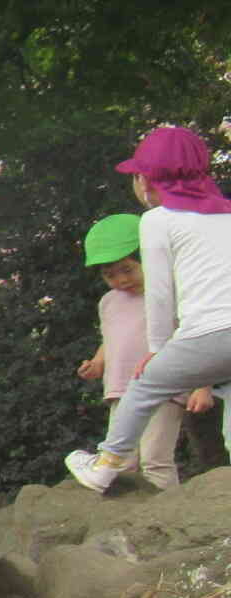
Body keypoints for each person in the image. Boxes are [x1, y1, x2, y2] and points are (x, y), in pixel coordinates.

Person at [67, 127, 231, 494]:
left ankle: (104, 466)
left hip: (206, 335)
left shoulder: (158, 220)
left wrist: (157, 349)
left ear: (147, 180)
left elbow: (159, 294)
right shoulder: (227, 214)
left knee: (143, 387)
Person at [74, 212, 203, 491]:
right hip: (121, 390)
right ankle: (128, 514)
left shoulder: (171, 293)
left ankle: (166, 511)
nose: (121, 280)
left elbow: (196, 339)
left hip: (163, 389)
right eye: (110, 275)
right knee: (120, 461)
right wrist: (97, 362)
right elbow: (110, 337)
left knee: (156, 459)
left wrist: (201, 386)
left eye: (128, 270)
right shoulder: (108, 302)